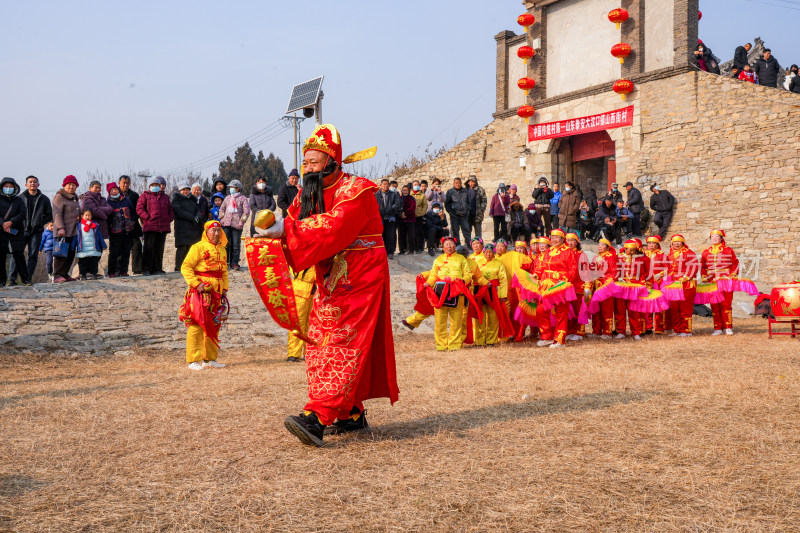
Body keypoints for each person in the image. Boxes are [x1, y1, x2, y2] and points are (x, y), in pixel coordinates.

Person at [257, 123, 399, 447]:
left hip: (361, 276)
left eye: (313, 161)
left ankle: (318, 417)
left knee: (340, 341)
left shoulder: (357, 191)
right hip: (331, 279)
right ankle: (350, 414)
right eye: (305, 162)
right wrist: (271, 232)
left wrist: (285, 230)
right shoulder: (309, 192)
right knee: (319, 339)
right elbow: (293, 221)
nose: (307, 167)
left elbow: (333, 227)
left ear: (332, 161)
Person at [179, 220, 229, 371]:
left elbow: (224, 271)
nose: (216, 233)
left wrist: (225, 288)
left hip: (217, 292)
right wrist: (196, 284)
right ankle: (193, 359)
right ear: (206, 232)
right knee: (197, 323)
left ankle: (210, 358)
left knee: (215, 323)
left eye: (218, 231)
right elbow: (186, 267)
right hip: (201, 291)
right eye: (212, 231)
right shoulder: (198, 247)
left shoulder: (222, 249)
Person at [427, 235, 472, 351]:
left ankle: (454, 345)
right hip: (440, 291)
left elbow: (468, 275)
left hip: (457, 289)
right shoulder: (438, 260)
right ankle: (441, 345)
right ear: (442, 247)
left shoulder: (462, 259)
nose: (449, 247)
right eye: (446, 245)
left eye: (451, 244)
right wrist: (428, 283)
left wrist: (463, 281)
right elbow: (433, 276)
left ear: (455, 246)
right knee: (440, 320)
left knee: (456, 320)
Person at [534, 229, 577, 348]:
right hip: (546, 285)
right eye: (552, 237)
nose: (553, 239)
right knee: (541, 310)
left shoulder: (568, 252)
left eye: (556, 237)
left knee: (561, 312)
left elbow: (573, 270)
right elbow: (542, 267)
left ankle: (560, 339)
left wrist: (563, 280)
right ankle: (546, 336)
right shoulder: (548, 251)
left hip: (560, 285)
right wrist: (536, 274)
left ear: (563, 239)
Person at [9, 175, 51, 285]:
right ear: (26, 185)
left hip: (36, 231)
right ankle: (12, 278)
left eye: (35, 182)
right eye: (30, 182)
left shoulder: (44, 199)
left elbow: (49, 215)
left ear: (38, 184)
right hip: (21, 231)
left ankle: (27, 279)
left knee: (33, 255)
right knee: (17, 254)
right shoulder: (19, 198)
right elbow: (14, 213)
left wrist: (40, 223)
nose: (33, 183)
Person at [701, 229, 739, 336]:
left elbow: (735, 264)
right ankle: (717, 328)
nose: (714, 238)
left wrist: (731, 276)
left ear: (721, 238)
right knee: (714, 305)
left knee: (726, 304)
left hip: (725, 281)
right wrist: (705, 277)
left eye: (717, 236)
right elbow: (703, 267)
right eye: (712, 237)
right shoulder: (706, 252)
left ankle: (728, 327)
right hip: (712, 282)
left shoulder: (728, 250)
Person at [495, 238, 533, 341]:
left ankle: (516, 334)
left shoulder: (514, 255)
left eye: (502, 246)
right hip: (500, 290)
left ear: (506, 247)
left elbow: (529, 263)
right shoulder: (493, 258)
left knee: (516, 311)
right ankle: (502, 335)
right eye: (497, 246)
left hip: (514, 289)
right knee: (503, 313)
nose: (499, 248)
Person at [136, 176, 174, 276]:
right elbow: (139, 209)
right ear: (149, 186)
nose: (155, 187)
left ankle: (157, 268)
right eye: (153, 185)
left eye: (157, 185)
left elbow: (170, 210)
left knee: (159, 248)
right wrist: (147, 218)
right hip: (150, 226)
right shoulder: (144, 196)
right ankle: (146, 269)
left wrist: (168, 219)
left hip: (163, 227)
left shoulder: (165, 197)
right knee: (149, 248)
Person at [614, 239, 650, 340]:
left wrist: (643, 284)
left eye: (634, 250)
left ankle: (636, 332)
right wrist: (618, 278)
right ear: (625, 249)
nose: (632, 252)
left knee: (634, 310)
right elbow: (614, 270)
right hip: (621, 286)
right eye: (630, 250)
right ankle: (620, 331)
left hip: (635, 287)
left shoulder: (640, 259)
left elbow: (643, 274)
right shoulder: (618, 258)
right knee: (620, 310)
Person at [472, 243, 508, 346]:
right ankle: (479, 341)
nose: (488, 254)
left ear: (494, 253)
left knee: (493, 317)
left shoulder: (499, 264)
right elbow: (474, 276)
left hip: (494, 290)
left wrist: (502, 295)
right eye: (486, 252)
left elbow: (503, 279)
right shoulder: (478, 263)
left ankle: (491, 340)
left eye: (491, 252)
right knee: (480, 315)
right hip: (480, 290)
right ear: (483, 253)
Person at [0, 177, 31, 286]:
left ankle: (26, 279)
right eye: (6, 186)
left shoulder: (18, 200)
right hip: (1, 232)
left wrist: (11, 222)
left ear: (14, 188)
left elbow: (23, 213)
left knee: (19, 256)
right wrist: (3, 223)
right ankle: (2, 281)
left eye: (10, 186)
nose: (8, 188)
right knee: (1, 256)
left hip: (16, 232)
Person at [666, 234, 699, 337]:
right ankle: (677, 330)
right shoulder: (670, 255)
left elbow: (693, 267)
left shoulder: (689, 253)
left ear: (683, 243)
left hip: (687, 284)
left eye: (678, 241)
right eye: (674, 242)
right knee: (674, 308)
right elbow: (668, 269)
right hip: (674, 285)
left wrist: (685, 277)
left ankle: (686, 330)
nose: (676, 243)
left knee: (685, 308)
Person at [51, 175, 81, 283]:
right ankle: (58, 274)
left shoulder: (74, 197)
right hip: (63, 231)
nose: (71, 187)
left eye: (74, 185)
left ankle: (65, 273)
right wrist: (60, 228)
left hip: (73, 231)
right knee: (61, 253)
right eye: (69, 185)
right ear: (64, 185)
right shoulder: (59, 197)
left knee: (70, 254)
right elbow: (57, 214)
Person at [218, 179, 250, 271]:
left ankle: (234, 262)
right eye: (230, 187)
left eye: (232, 187)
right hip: (226, 224)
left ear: (237, 188)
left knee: (236, 245)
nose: (230, 189)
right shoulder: (227, 198)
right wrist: (222, 218)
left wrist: (241, 222)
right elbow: (222, 209)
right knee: (225, 244)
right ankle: (225, 262)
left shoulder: (243, 198)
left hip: (237, 226)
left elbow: (246, 212)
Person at [106, 182, 136, 278]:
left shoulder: (126, 200)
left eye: (115, 189)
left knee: (126, 252)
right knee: (114, 253)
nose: (114, 191)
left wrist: (133, 222)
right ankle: (112, 272)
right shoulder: (108, 203)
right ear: (109, 192)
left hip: (127, 230)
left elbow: (134, 212)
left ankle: (124, 271)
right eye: (112, 190)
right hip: (115, 232)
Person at [589, 238, 617, 339]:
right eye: (599, 244)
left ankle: (607, 331)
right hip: (596, 284)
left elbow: (613, 271)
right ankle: (596, 330)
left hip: (605, 285)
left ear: (607, 247)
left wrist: (607, 283)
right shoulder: (596, 257)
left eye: (602, 245)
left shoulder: (610, 256)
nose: (600, 246)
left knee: (606, 309)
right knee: (596, 309)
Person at [172, 180, 202, 271]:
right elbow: (179, 211)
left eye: (187, 189)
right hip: (182, 228)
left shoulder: (192, 200)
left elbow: (198, 210)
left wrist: (197, 217)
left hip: (193, 228)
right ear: (180, 190)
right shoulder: (176, 200)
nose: (185, 191)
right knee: (182, 248)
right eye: (183, 190)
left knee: (191, 248)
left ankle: (189, 267)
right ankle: (178, 267)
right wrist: (192, 218)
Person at [287, 266, 316, 362]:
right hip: (301, 289)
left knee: (312, 323)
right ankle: (294, 354)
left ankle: (309, 351)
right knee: (298, 321)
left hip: (313, 289)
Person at [643, 235, 671, 334]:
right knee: (647, 305)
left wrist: (661, 274)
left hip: (658, 283)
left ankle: (659, 327)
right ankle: (648, 327)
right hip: (647, 283)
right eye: (649, 243)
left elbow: (668, 268)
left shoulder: (662, 254)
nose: (651, 245)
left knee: (659, 305)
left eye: (653, 243)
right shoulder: (644, 254)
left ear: (657, 244)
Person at [565, 233, 589, 341]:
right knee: (569, 311)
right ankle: (570, 330)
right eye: (568, 240)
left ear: (577, 242)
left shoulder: (581, 254)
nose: (570, 243)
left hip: (579, 286)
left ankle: (580, 332)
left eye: (572, 240)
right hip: (567, 286)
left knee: (579, 310)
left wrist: (587, 285)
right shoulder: (564, 253)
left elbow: (587, 271)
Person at [118, 175, 142, 275]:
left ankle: (137, 269)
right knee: (121, 249)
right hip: (120, 226)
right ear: (119, 183)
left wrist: (133, 220)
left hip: (133, 225)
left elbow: (138, 210)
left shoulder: (134, 195)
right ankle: (120, 270)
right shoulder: (115, 194)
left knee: (137, 246)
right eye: (124, 183)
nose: (126, 185)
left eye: (128, 183)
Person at [80, 180, 113, 253]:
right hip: (90, 228)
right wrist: (103, 214)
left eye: (99, 188)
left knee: (99, 251)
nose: (98, 189)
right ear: (90, 188)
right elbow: (91, 210)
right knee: (90, 251)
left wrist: (98, 208)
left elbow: (110, 209)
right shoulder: (87, 198)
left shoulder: (103, 199)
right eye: (96, 187)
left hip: (101, 228)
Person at [75, 209, 107, 280]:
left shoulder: (95, 226)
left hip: (93, 248)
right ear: (82, 216)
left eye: (89, 215)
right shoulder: (79, 226)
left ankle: (94, 274)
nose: (87, 217)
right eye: (86, 215)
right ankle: (83, 275)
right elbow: (76, 237)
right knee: (83, 263)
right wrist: (72, 246)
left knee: (94, 262)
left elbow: (99, 236)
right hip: (83, 249)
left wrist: (103, 245)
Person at [376, 178, 402, 258]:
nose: (386, 185)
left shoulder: (393, 194)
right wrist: (380, 211)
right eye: (384, 184)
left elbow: (397, 204)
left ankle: (390, 252)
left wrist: (389, 209)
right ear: (381, 185)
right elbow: (373, 205)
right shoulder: (376, 195)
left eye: (387, 184)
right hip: (380, 218)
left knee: (390, 236)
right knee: (381, 236)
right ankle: (381, 252)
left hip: (390, 218)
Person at [445, 178, 471, 245]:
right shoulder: (450, 192)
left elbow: (469, 202)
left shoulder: (465, 191)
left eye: (459, 183)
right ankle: (457, 245)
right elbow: (447, 203)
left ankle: (469, 244)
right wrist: (450, 212)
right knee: (455, 231)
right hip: (454, 215)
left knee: (466, 230)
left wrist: (467, 211)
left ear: (461, 183)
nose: (458, 184)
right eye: (456, 183)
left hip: (464, 215)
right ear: (454, 184)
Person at [398, 185, 417, 255]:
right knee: (401, 235)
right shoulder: (399, 198)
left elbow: (412, 208)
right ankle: (402, 250)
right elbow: (397, 207)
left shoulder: (412, 199)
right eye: (404, 190)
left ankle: (411, 250)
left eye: (406, 190)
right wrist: (401, 214)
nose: (405, 191)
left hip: (410, 219)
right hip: (401, 220)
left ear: (409, 191)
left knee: (410, 235)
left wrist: (405, 214)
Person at [467, 176, 487, 240]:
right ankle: (468, 244)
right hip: (468, 215)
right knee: (467, 231)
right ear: (468, 182)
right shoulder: (465, 190)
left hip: (477, 214)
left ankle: (479, 243)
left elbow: (484, 200)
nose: (472, 183)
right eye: (471, 182)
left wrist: (481, 210)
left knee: (478, 231)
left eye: (473, 182)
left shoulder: (480, 189)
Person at [411, 180, 428, 252]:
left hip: (420, 216)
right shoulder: (410, 195)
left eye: (417, 185)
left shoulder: (422, 195)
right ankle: (413, 248)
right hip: (411, 217)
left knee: (420, 232)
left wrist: (422, 213)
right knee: (412, 233)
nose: (416, 186)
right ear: (412, 186)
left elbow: (425, 205)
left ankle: (420, 248)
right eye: (415, 185)